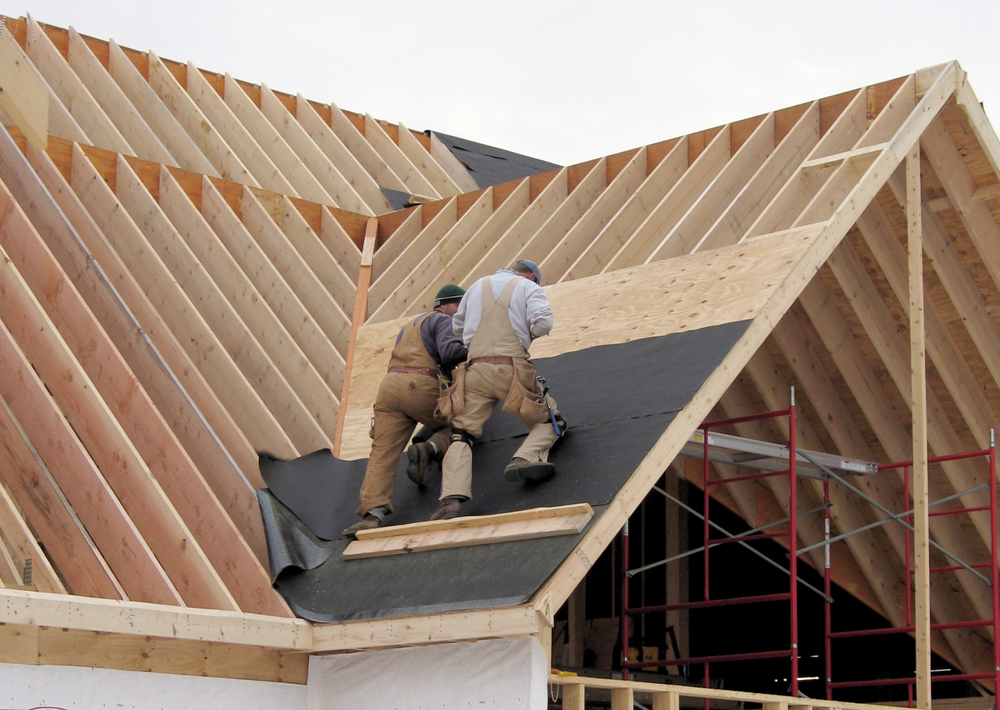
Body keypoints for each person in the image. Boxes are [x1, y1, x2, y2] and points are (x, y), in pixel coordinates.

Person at [431, 260, 564, 521]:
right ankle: (524, 458)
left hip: (475, 369)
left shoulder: (475, 287)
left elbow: (458, 329)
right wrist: (525, 334)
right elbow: (544, 324)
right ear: (531, 277)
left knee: (461, 433)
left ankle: (450, 500)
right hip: (511, 367)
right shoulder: (528, 288)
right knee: (552, 421)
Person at [343, 285, 468, 537]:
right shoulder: (443, 320)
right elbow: (449, 352)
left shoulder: (410, 326)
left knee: (383, 452)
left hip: (388, 389)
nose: (460, 312)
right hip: (420, 384)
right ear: (443, 305)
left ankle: (371, 514)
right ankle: (428, 449)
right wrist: (478, 351)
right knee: (462, 425)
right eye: (458, 306)